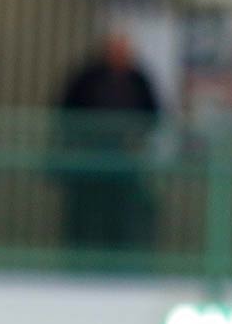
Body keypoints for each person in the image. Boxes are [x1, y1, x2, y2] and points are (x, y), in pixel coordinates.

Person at [55, 34, 161, 257]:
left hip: (125, 162)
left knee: (123, 214)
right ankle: (79, 259)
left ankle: (119, 260)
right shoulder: (87, 78)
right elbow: (66, 113)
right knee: (86, 214)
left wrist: (136, 139)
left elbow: (153, 116)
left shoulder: (137, 79)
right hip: (89, 161)